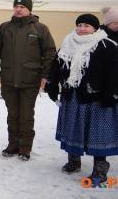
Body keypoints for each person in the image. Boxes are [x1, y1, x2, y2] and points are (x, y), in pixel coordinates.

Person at [45, 14, 118, 185]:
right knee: (73, 129)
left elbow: (115, 73)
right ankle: (74, 162)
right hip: (73, 97)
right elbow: (57, 66)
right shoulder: (67, 43)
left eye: (86, 26)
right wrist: (52, 84)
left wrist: (112, 94)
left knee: (97, 135)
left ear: (95, 28)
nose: (82, 29)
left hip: (97, 99)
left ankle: (99, 170)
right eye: (79, 25)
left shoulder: (107, 46)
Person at [0, 0, 56, 161]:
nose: (18, 9)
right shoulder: (5, 28)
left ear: (29, 10)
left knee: (26, 115)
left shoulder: (40, 29)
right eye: (16, 7)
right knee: (12, 114)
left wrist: (45, 75)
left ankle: (25, 148)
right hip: (9, 78)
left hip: (30, 79)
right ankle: (13, 145)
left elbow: (49, 53)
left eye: (22, 7)